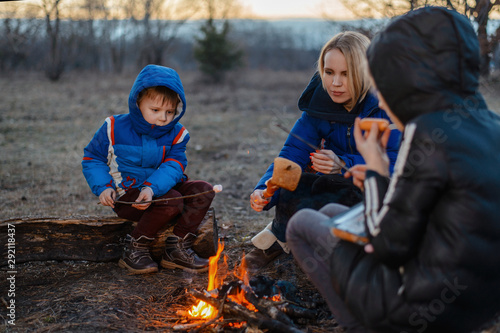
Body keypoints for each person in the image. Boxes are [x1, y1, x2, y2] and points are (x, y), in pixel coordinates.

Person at [287, 6, 500, 333]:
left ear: (409, 83)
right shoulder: (491, 125)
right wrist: (380, 176)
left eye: (384, 87)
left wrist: (374, 167)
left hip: (419, 305)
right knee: (332, 210)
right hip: (478, 301)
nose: (382, 102)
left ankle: (360, 326)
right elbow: (433, 211)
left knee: (301, 223)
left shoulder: (427, 133)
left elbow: (389, 245)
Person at [245, 31, 401, 271]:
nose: (335, 83)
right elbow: (291, 156)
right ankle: (278, 238)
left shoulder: (386, 106)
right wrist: (264, 191)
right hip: (332, 185)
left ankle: (355, 256)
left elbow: (396, 164)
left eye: (346, 74)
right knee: (296, 182)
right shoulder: (317, 108)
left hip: (378, 191)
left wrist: (344, 164)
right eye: (329, 73)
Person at [82, 65, 215, 275]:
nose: (163, 118)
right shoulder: (114, 127)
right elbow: (93, 158)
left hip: (160, 189)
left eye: (169, 112)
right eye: (155, 110)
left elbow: (174, 165)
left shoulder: (178, 133)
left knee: (204, 190)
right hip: (129, 196)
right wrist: (103, 187)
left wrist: (152, 188)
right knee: (171, 200)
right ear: (137, 103)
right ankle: (134, 249)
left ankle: (177, 247)